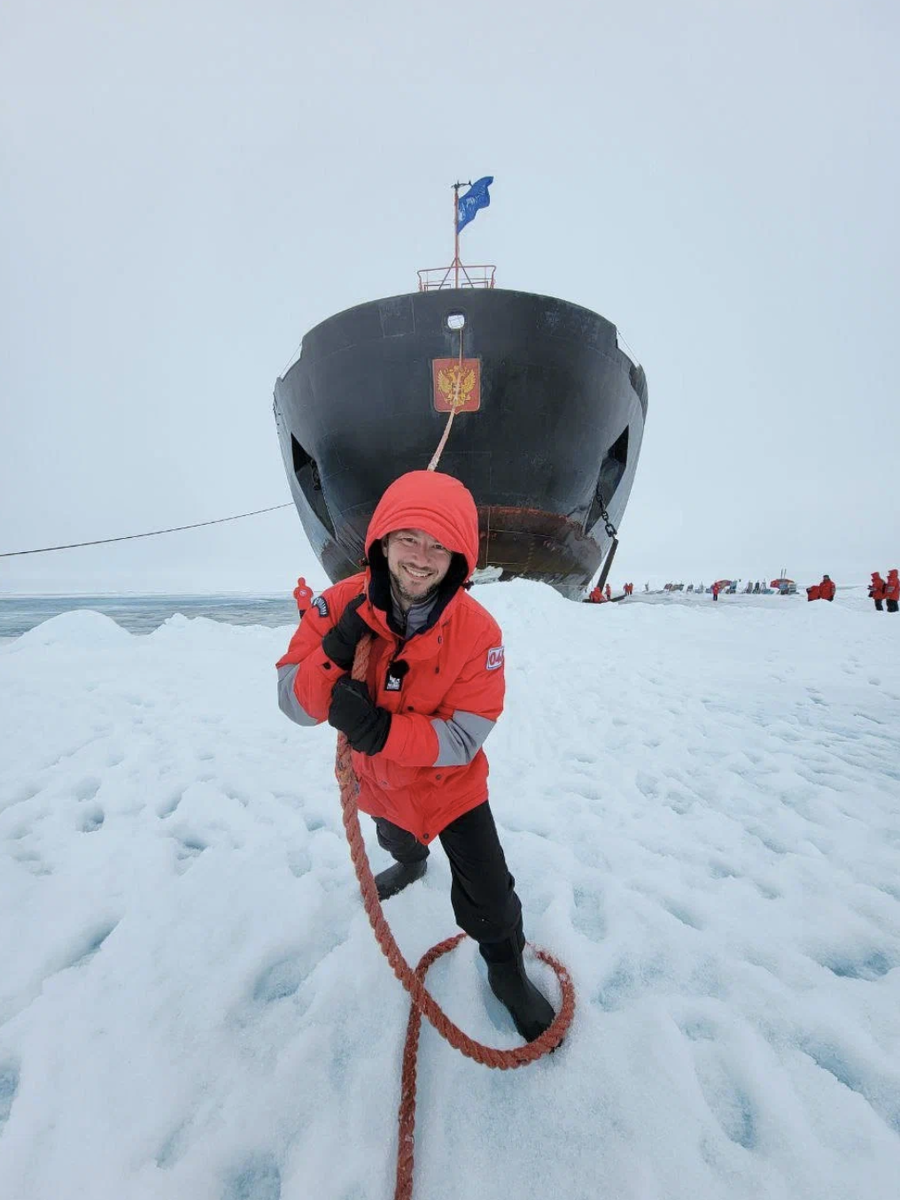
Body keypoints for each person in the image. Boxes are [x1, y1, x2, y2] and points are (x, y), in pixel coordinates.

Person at [275, 470, 555, 1042]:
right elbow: (294, 705)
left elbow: (463, 737)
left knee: (491, 892)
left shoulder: (479, 633)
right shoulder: (338, 606)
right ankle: (411, 860)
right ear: (381, 542)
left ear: (460, 559)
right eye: (409, 538)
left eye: (439, 545)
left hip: (450, 787)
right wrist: (334, 648)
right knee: (395, 838)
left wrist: (381, 732)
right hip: (375, 784)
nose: (422, 557)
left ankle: (507, 971)